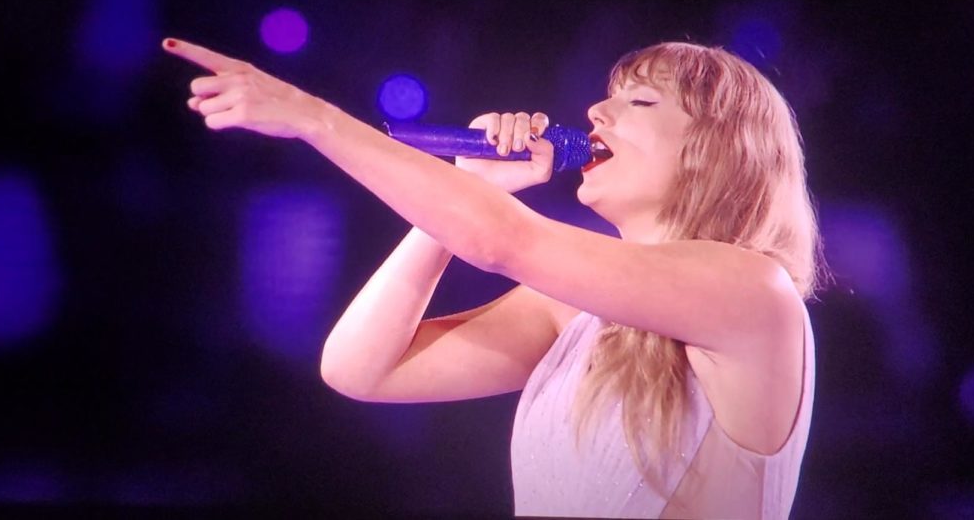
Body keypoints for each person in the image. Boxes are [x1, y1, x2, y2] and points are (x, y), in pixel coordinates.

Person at [164, 36, 824, 519]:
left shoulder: (753, 295)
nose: (596, 112)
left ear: (715, 150)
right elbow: (359, 367)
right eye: (608, 95)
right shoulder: (570, 312)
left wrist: (315, 118)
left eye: (640, 100)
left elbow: (499, 239)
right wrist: (463, 192)